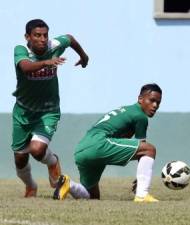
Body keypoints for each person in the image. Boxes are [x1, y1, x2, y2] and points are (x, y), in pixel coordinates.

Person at [12, 19, 89, 197]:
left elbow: (70, 39)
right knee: (20, 158)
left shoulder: (54, 46)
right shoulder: (21, 50)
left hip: (48, 111)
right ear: (27, 37)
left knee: (37, 150)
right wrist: (46, 63)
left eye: (45, 35)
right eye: (37, 35)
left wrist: (84, 56)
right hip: (23, 112)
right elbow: (26, 67)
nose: (42, 39)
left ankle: (53, 162)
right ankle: (31, 186)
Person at [53, 83, 162, 202]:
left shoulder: (126, 110)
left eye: (158, 102)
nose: (155, 105)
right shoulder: (140, 116)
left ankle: (69, 184)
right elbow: (143, 149)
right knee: (150, 150)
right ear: (140, 99)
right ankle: (142, 195)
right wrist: (141, 182)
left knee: (92, 196)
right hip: (99, 143)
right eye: (152, 100)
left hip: (81, 149)